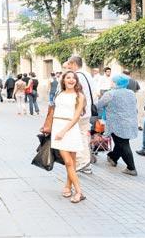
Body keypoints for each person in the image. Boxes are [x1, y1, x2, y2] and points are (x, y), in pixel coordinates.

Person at [49, 71, 86, 203]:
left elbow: (76, 117)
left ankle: (77, 191)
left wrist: (63, 131)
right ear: (63, 80)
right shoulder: (59, 94)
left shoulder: (79, 95)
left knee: (71, 162)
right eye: (68, 77)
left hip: (69, 129)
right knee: (69, 162)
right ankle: (69, 187)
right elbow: (53, 111)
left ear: (76, 81)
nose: (71, 80)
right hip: (57, 128)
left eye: (73, 78)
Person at [98, 74, 138, 175]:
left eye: (112, 81)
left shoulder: (110, 94)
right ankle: (113, 157)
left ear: (116, 83)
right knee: (121, 142)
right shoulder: (131, 93)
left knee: (123, 144)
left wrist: (99, 115)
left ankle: (131, 168)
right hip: (130, 122)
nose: (111, 82)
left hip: (117, 124)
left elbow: (100, 105)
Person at [66, 55, 97, 174]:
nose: (68, 67)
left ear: (73, 63)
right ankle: (86, 164)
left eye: (69, 64)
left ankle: (81, 163)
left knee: (78, 137)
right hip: (87, 111)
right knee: (84, 136)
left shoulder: (76, 76)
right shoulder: (88, 75)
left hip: (79, 112)